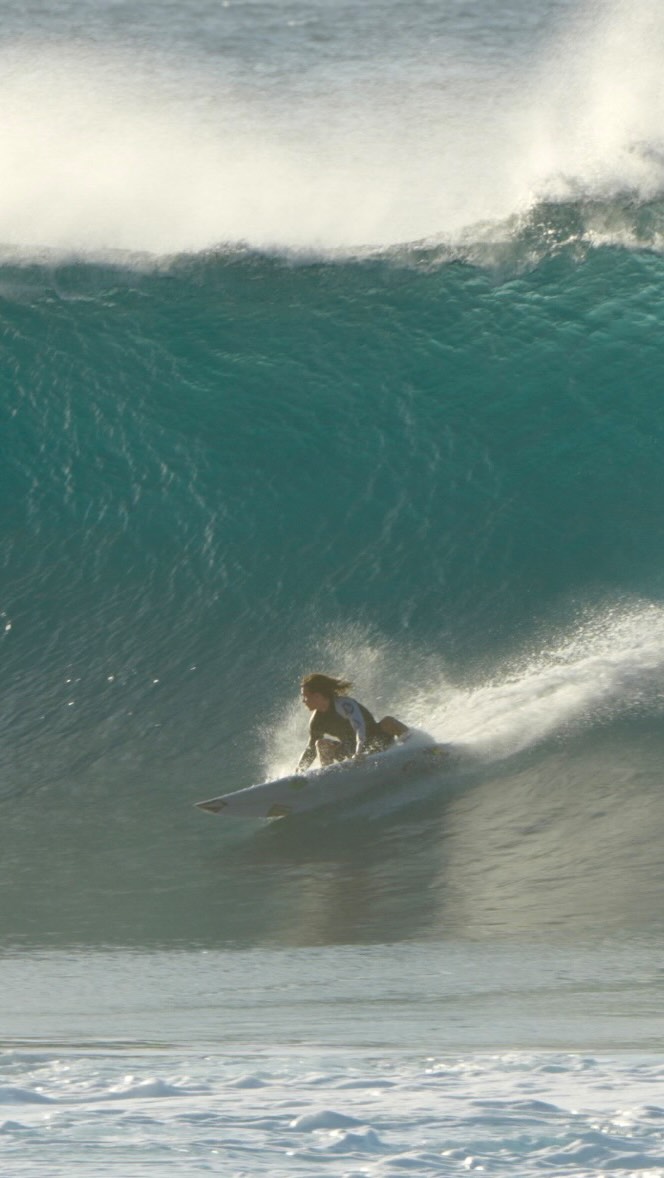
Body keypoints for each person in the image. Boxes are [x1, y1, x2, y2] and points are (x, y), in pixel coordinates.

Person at [297, 673, 409, 771]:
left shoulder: (343, 704)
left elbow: (359, 727)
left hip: (375, 739)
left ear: (317, 696)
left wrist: (359, 751)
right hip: (350, 750)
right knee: (321, 745)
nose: (303, 701)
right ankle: (330, 777)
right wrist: (298, 772)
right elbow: (311, 749)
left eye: (305, 697)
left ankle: (415, 745)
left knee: (388, 721)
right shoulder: (316, 721)